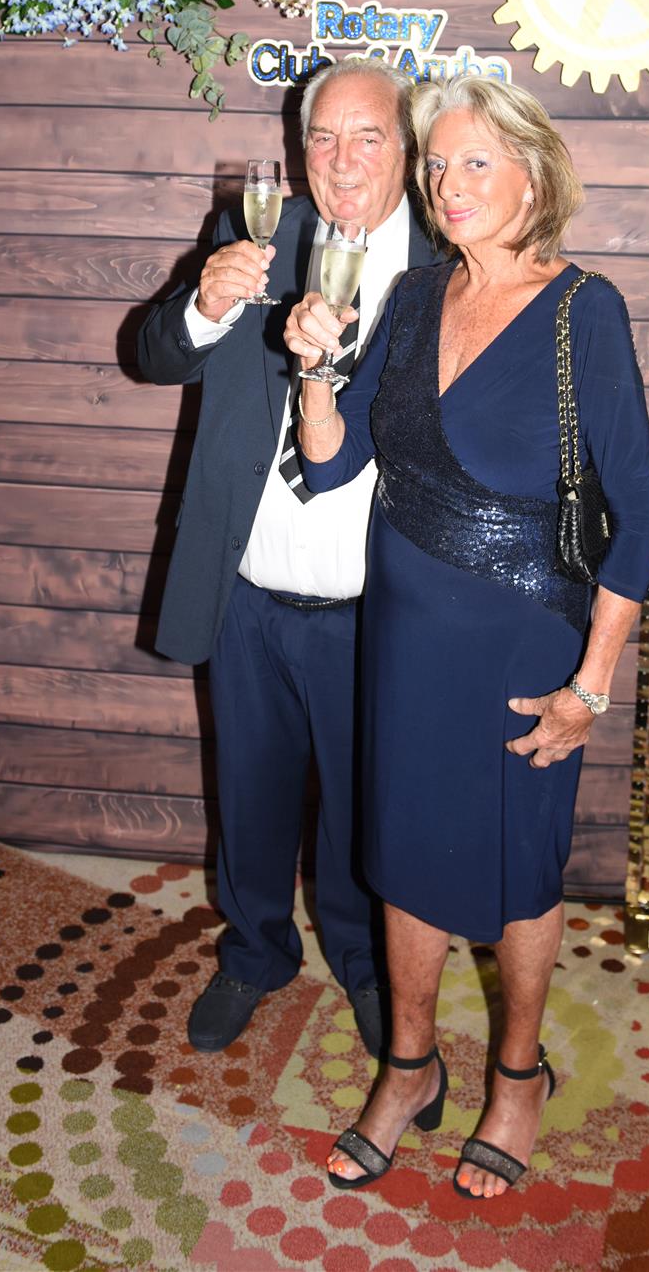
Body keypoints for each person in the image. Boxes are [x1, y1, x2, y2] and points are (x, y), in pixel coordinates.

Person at [285, 76, 649, 1198]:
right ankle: (407, 1070)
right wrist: (315, 372)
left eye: (475, 163)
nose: (449, 186)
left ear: (533, 173)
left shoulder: (583, 310)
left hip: (522, 656)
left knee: (517, 877)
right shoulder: (412, 296)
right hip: (403, 648)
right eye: (437, 165)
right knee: (403, 858)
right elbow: (333, 464)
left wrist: (589, 686)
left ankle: (516, 1075)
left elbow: (640, 513)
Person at [136, 58, 437, 1056]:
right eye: (322, 138)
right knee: (251, 795)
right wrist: (205, 307)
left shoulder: (447, 263)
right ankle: (255, 952)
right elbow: (151, 354)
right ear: (297, 152)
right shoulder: (257, 233)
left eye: (368, 138)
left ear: (406, 150)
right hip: (251, 596)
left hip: (378, 608)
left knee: (364, 810)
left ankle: (363, 964)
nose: (342, 161)